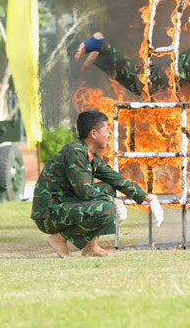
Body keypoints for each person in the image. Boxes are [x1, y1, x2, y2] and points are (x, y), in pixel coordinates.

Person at [31, 110, 159, 258]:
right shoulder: (75, 152)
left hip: (63, 205)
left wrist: (146, 197)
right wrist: (115, 202)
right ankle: (59, 238)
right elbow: (84, 192)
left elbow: (112, 177)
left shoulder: (86, 152)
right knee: (105, 208)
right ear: (93, 133)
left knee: (108, 188)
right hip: (48, 214)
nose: (109, 135)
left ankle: (91, 247)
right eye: (106, 130)